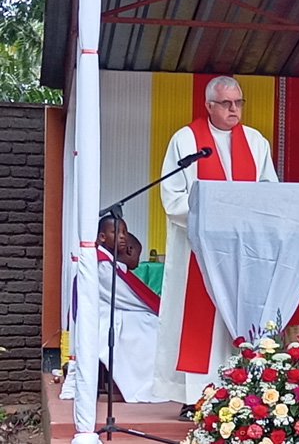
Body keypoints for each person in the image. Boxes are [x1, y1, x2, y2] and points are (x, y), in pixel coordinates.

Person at [154, 76, 278, 418]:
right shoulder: (186, 140)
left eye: (239, 102)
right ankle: (194, 395)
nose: (234, 109)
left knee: (234, 323)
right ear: (209, 105)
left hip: (242, 252)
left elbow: (270, 192)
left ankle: (238, 392)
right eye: (226, 103)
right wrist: (212, 215)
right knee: (197, 321)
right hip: (199, 250)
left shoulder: (255, 142)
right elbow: (173, 197)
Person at [96, 217, 165, 403]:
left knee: (150, 322)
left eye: (124, 233)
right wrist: (152, 308)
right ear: (102, 237)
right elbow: (123, 297)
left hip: (116, 310)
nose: (122, 238)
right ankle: (144, 385)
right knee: (151, 327)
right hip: (106, 315)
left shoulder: (109, 261)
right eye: (116, 232)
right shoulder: (101, 263)